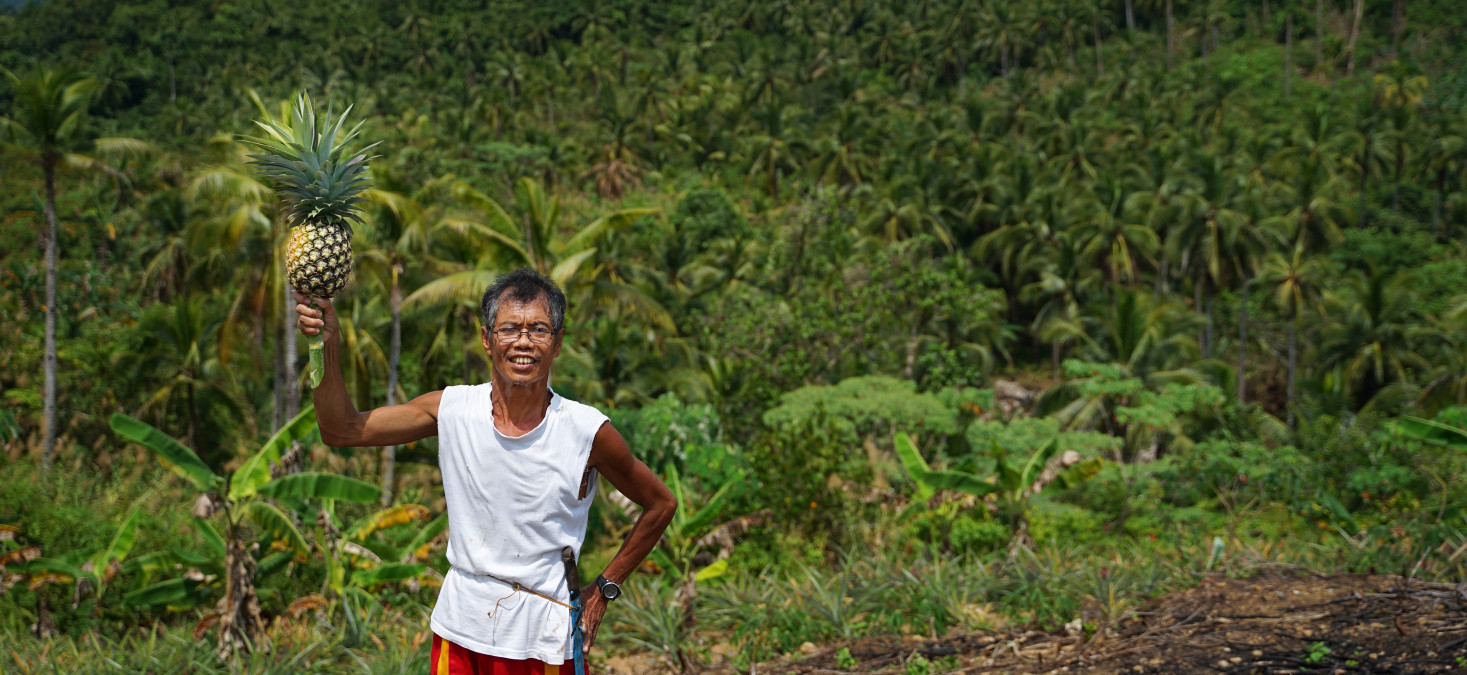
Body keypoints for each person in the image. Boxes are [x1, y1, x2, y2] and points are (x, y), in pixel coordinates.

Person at [296, 266, 677, 675]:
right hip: (459, 630)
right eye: (509, 329)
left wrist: (604, 589)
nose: (523, 343)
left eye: (539, 330)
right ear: (486, 339)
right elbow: (340, 429)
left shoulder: (586, 431)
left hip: (541, 640)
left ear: (558, 342)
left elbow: (660, 503)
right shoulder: (452, 409)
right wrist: (326, 344)